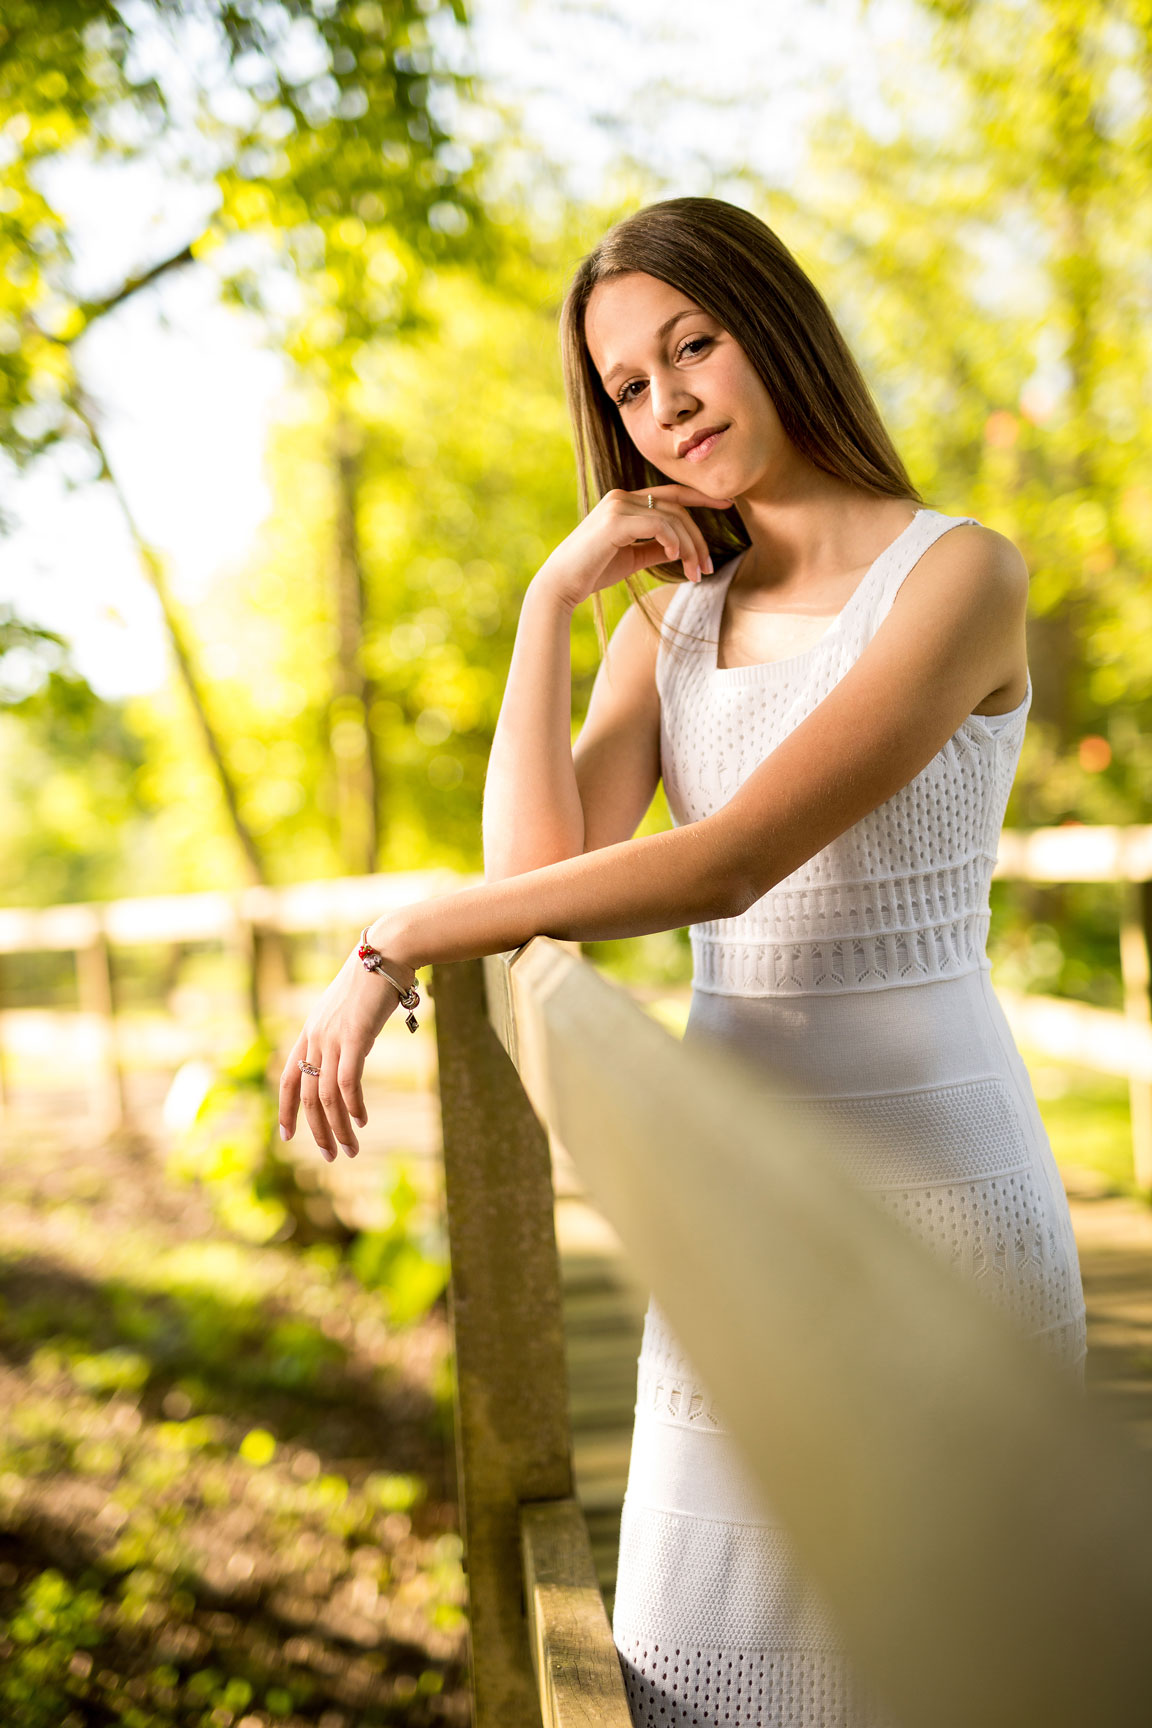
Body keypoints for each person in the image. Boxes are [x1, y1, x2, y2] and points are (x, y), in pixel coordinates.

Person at [278, 197, 1088, 1728]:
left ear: (773, 325)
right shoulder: (672, 627)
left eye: (692, 347)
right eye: (629, 389)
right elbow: (539, 882)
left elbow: (723, 865)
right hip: (732, 1204)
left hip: (942, 1194)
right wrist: (552, 604)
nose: (670, 406)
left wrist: (390, 939)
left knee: (950, 1659)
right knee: (704, 1670)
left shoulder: (959, 578)